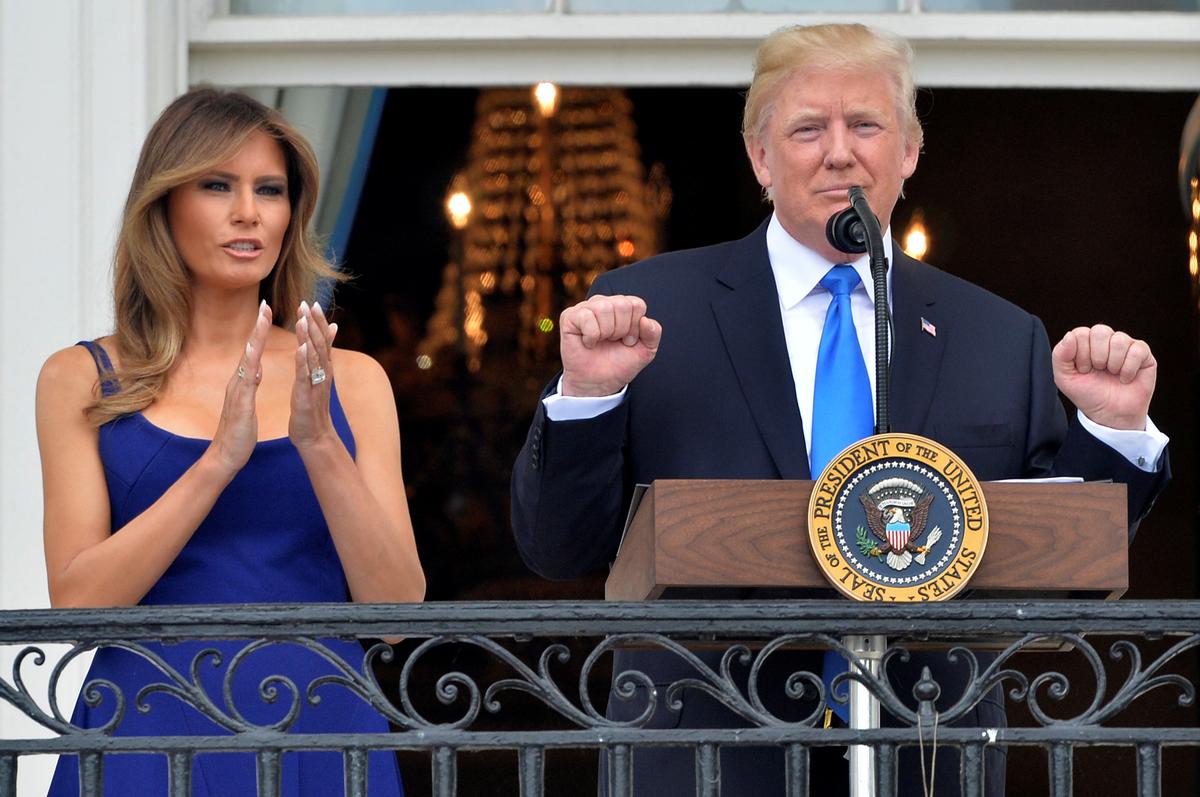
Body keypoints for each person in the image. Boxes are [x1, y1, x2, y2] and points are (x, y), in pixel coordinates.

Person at [510, 23, 1169, 797]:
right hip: (707, 762)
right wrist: (590, 395)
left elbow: (1055, 556)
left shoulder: (998, 335)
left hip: (925, 760)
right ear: (760, 156)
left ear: (910, 153)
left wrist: (1112, 430)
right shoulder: (656, 310)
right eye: (806, 129)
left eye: (865, 125)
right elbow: (558, 548)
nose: (838, 152)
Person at [37, 88, 424, 795]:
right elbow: (77, 608)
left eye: (269, 190)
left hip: (319, 722)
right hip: (142, 727)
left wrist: (319, 444)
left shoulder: (356, 381)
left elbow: (396, 611)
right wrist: (217, 462)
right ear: (165, 204)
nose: (248, 211)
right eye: (218, 185)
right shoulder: (80, 377)